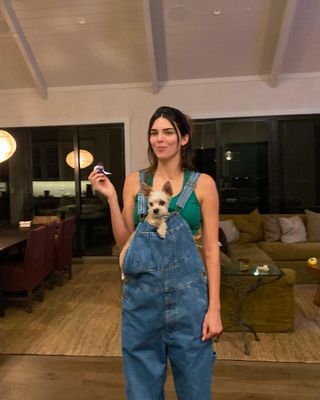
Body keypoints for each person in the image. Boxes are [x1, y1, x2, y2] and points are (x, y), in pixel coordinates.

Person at [88, 106, 223, 399]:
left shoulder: (203, 184)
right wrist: (111, 198)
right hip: (141, 299)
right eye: (154, 132)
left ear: (184, 138)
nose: (159, 139)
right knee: (141, 391)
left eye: (168, 132)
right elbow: (126, 241)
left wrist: (214, 308)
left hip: (190, 300)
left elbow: (211, 250)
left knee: (195, 390)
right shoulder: (134, 182)